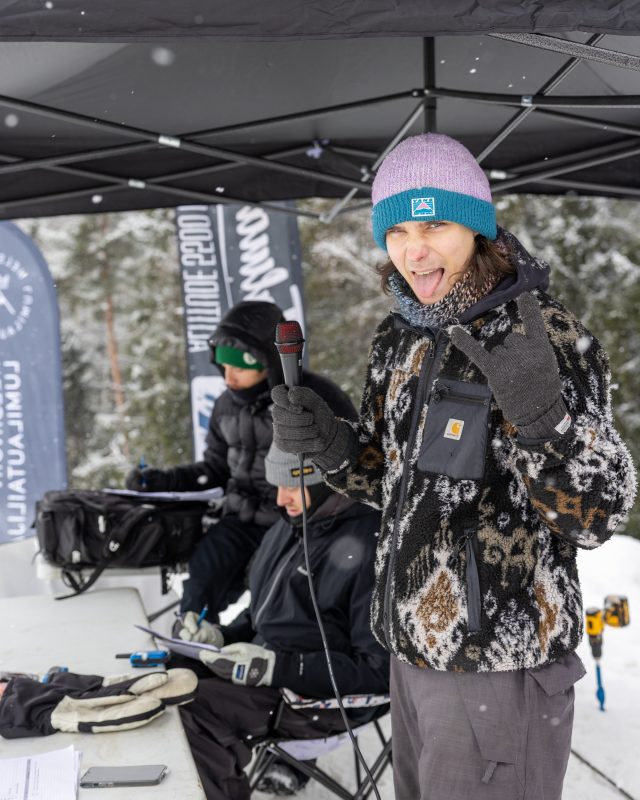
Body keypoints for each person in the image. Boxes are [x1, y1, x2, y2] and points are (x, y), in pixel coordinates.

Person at [271, 133, 638, 800]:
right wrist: (331, 447)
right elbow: (392, 482)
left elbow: (599, 513)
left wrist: (546, 424)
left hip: (498, 666)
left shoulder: (544, 336)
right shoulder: (401, 334)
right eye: (398, 231)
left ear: (476, 227)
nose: (414, 250)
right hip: (409, 654)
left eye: (435, 225)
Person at [177, 440, 389, 800]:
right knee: (172, 676)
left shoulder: (371, 546)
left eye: (292, 486)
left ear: (326, 482)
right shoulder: (290, 525)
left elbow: (378, 672)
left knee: (193, 712)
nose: (280, 499)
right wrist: (221, 636)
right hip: (268, 672)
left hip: (319, 698)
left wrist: (279, 668)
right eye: (277, 486)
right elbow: (265, 614)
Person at [125, 300, 356, 622]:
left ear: (265, 362)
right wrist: (163, 481)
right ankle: (191, 644)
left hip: (293, 522)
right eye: (224, 367)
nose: (229, 377)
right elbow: (215, 469)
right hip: (240, 519)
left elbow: (347, 464)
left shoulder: (314, 397)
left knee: (272, 599)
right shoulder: (225, 405)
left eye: (239, 368)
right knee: (201, 584)